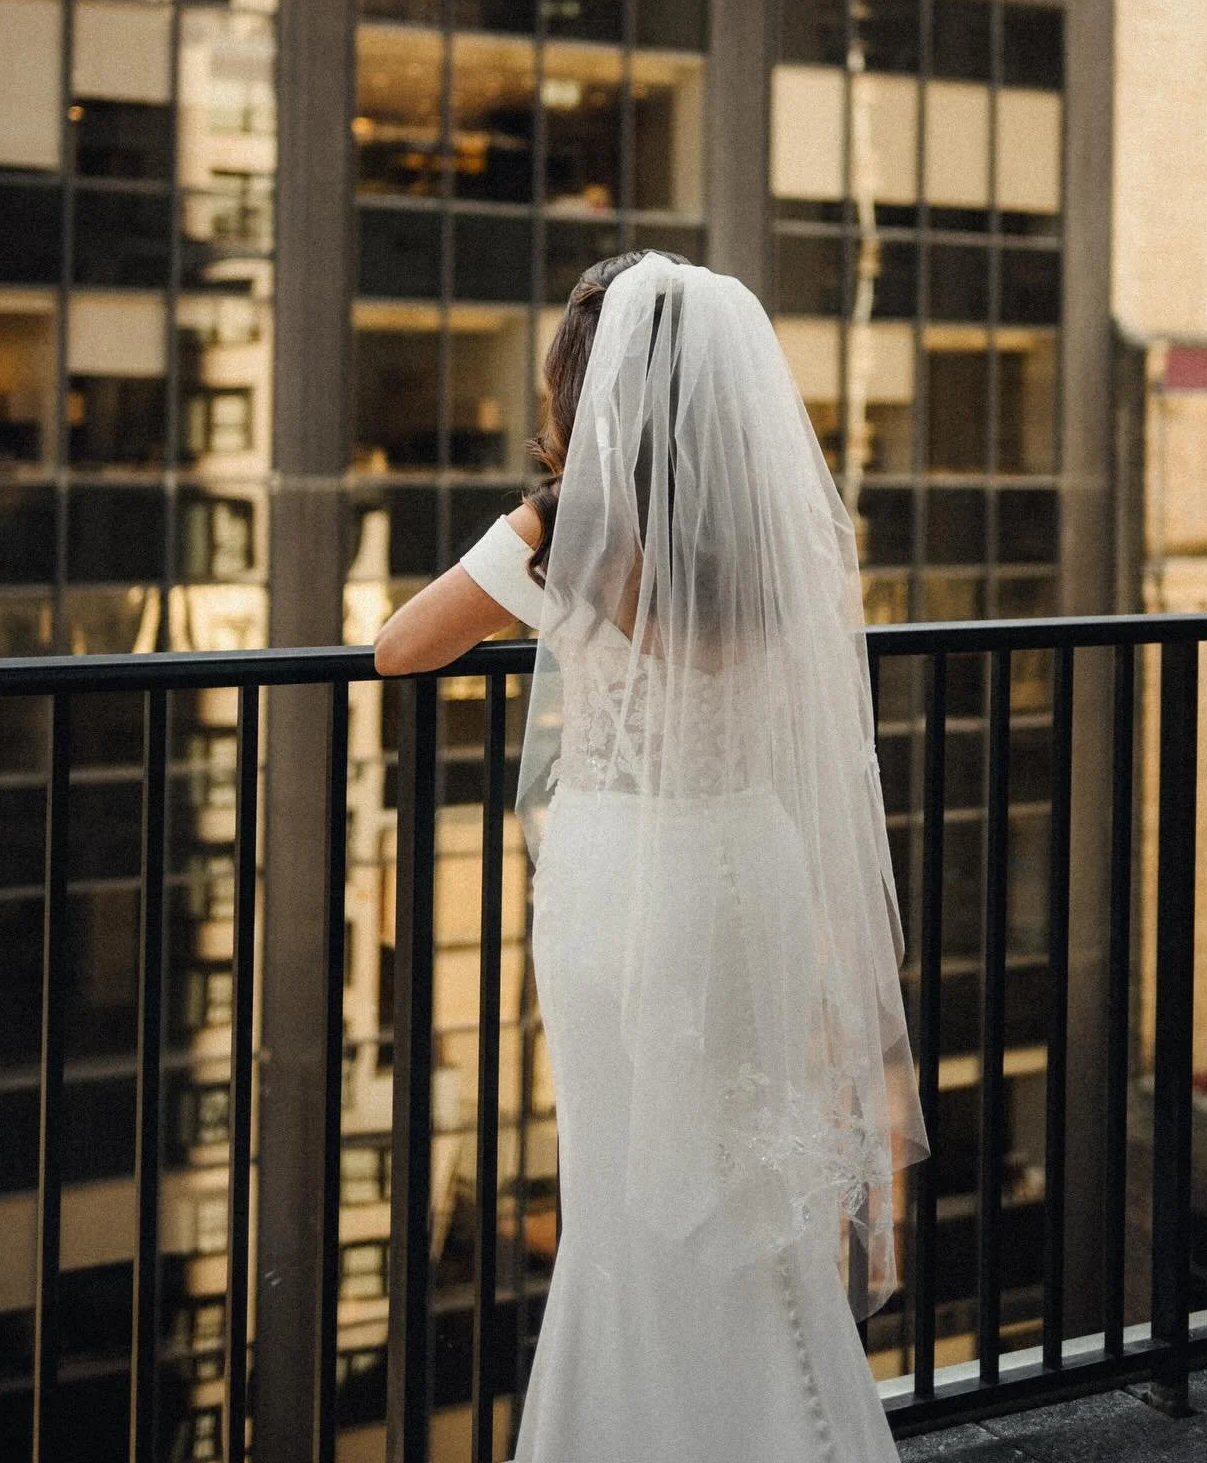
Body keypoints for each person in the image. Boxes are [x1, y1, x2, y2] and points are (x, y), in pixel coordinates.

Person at [375, 251, 928, 1461]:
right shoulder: (774, 534)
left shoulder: (568, 529)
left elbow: (401, 648)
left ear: (594, 392)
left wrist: (533, 516)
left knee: (625, 1202)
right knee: (749, 1189)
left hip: (626, 880)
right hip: (755, 863)